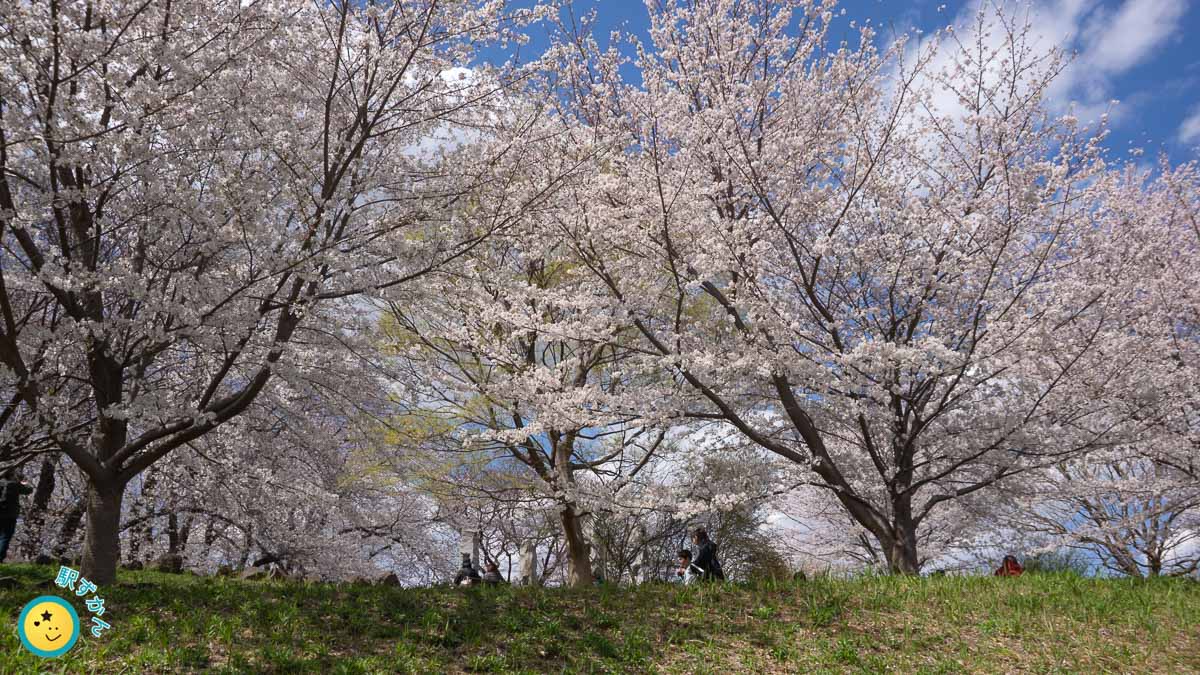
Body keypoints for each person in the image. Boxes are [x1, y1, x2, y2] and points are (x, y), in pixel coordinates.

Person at [0, 469, 33, 563]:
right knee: (5, 537)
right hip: (9, 514)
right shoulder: (14, 484)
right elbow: (29, 490)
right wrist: (24, 481)